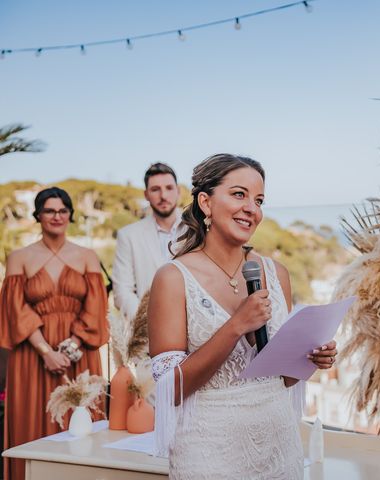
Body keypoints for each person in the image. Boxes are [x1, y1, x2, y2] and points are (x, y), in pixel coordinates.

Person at [148, 154, 338, 479]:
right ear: (206, 203)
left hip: (279, 449)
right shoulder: (173, 278)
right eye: (239, 194)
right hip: (210, 453)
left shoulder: (275, 273)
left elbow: (284, 380)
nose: (253, 208)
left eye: (259, 200)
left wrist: (310, 357)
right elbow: (171, 390)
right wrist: (236, 325)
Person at [0, 187, 110, 480]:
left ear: (71, 215)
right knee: (32, 423)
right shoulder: (19, 257)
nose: (56, 216)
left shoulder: (87, 255)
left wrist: (69, 348)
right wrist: (46, 352)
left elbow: (96, 307)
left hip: (79, 353)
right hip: (32, 355)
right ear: (38, 215)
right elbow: (15, 309)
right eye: (49, 210)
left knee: (82, 426)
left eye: (63, 210)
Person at [112, 163, 182, 323]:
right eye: (155, 189)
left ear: (178, 191)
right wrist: (149, 323)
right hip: (148, 334)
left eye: (169, 188)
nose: (163, 195)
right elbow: (122, 292)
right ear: (146, 194)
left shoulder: (197, 229)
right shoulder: (128, 235)